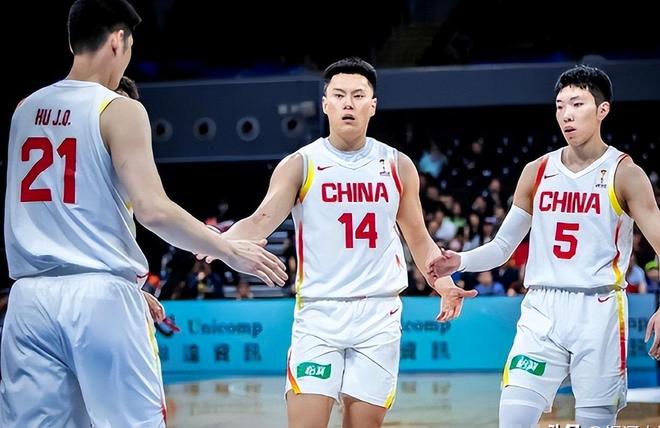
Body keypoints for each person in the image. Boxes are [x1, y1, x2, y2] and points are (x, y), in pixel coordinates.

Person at [1, 1, 286, 427]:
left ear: (72, 41)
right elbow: (153, 209)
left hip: (27, 302)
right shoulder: (118, 108)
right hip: (98, 298)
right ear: (118, 40)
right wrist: (227, 250)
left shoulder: (23, 110)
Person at [206, 57, 475, 428]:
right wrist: (214, 243)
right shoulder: (301, 164)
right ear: (325, 104)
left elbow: (419, 238)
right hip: (319, 313)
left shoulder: (397, 165)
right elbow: (260, 221)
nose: (348, 103)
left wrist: (443, 283)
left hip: (379, 313)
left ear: (373, 105)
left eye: (358, 95)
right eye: (339, 95)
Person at [426, 64, 660, 428]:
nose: (566, 114)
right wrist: (461, 260)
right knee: (513, 418)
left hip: (598, 309)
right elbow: (503, 246)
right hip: (542, 308)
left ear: (602, 109)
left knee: (595, 421)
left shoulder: (624, 173)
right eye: (560, 105)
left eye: (577, 104)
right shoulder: (537, 171)